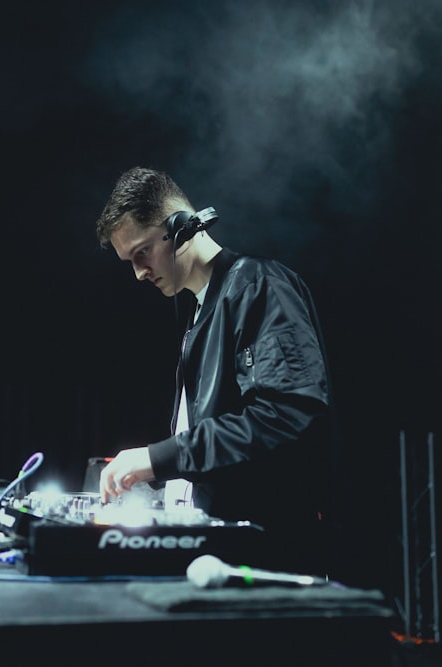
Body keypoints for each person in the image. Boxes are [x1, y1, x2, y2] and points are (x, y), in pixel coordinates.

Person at [94, 166, 343, 578]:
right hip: (224, 553)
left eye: (141, 253)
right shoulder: (201, 312)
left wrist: (159, 458)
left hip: (268, 557)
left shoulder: (258, 286)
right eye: (129, 262)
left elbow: (286, 414)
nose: (138, 273)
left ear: (180, 229)